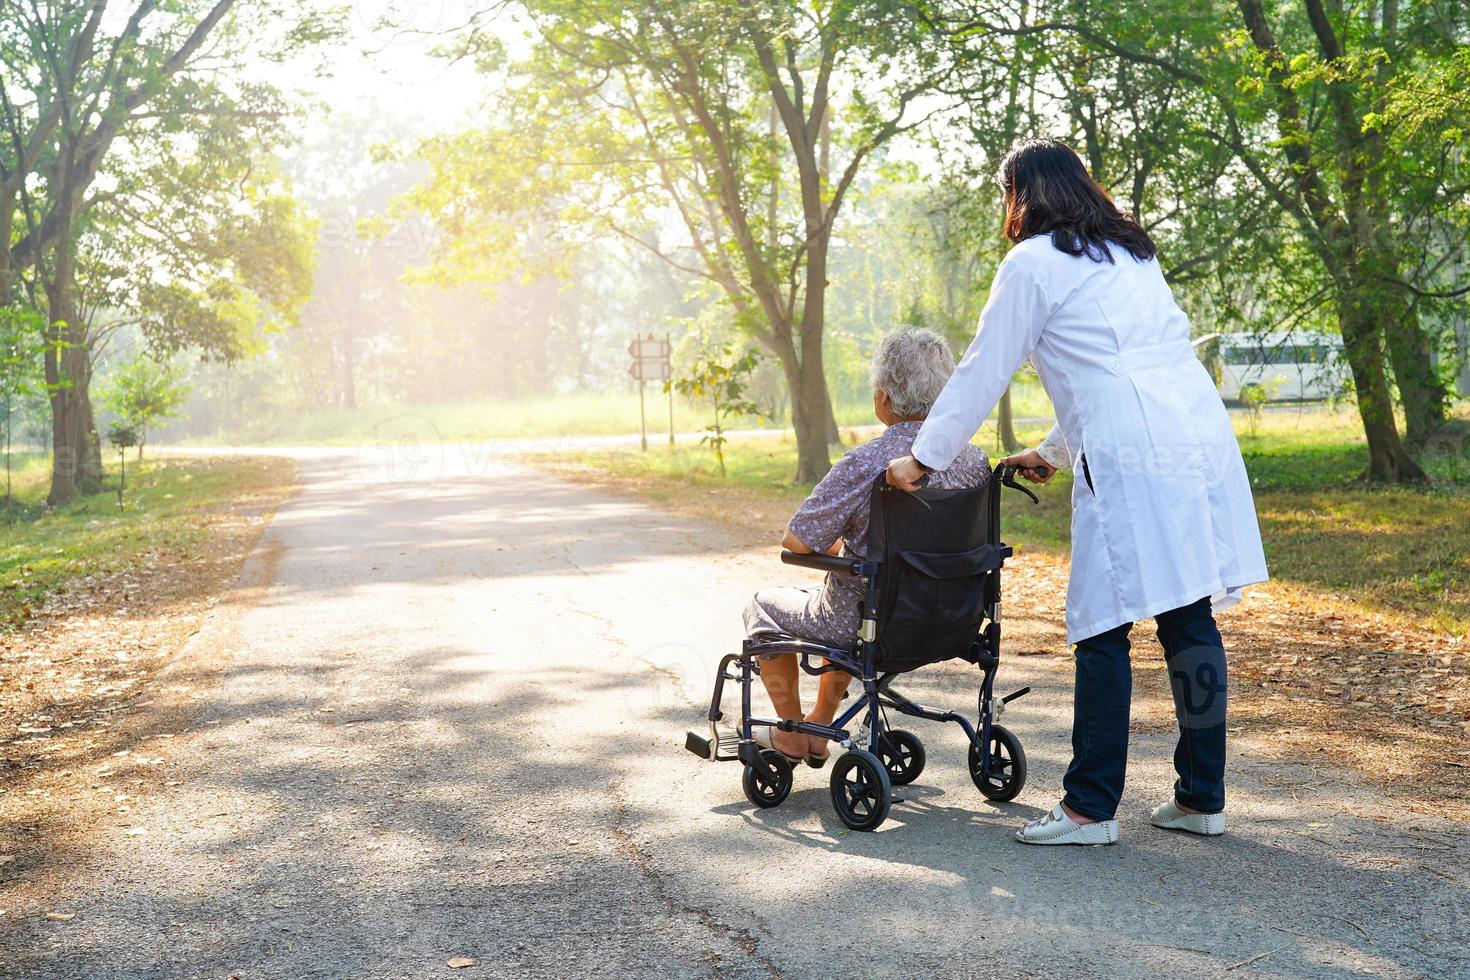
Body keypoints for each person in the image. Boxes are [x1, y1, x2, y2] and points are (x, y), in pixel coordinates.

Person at [887, 138, 1268, 846]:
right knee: (1188, 614)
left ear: (1019, 195)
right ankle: (1200, 798)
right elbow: (1110, 364)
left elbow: (980, 371)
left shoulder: (1032, 263)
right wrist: (1056, 451)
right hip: (1195, 432)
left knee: (1101, 625)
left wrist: (924, 458)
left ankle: (1089, 808)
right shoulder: (1131, 253)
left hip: (1132, 448)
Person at [744, 328, 991, 766]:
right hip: (956, 618)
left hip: (873, 620)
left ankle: (793, 732)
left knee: (764, 606)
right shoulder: (974, 460)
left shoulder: (866, 462)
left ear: (882, 400)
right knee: (856, 590)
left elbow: (797, 541)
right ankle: (821, 722)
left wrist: (843, 541)